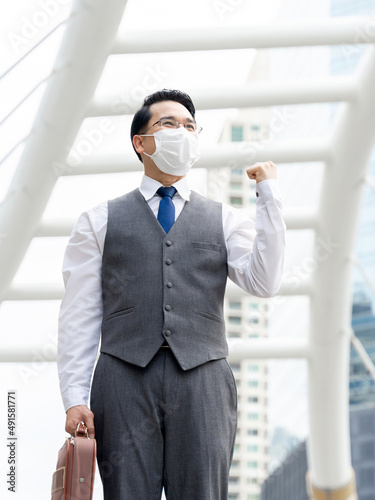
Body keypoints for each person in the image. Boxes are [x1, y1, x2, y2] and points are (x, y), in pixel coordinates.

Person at [57, 88, 286, 499]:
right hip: (123, 378)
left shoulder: (224, 218)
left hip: (204, 381)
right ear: (140, 143)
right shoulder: (98, 220)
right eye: (168, 124)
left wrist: (268, 196)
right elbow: (79, 314)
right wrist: (75, 397)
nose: (182, 132)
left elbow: (264, 282)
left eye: (190, 126)